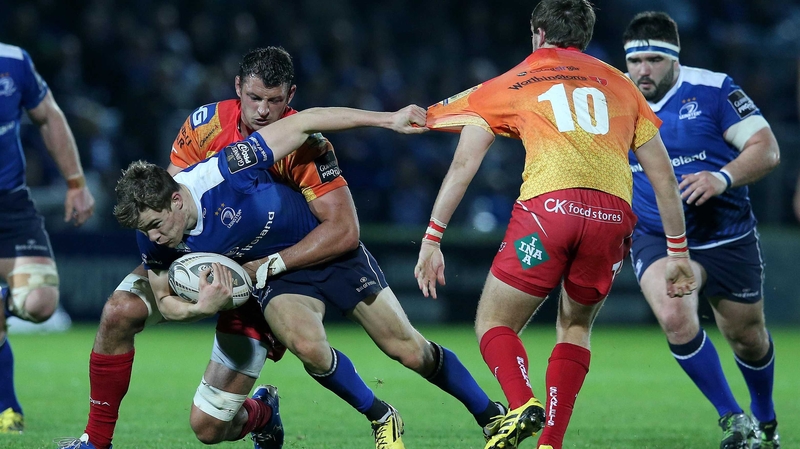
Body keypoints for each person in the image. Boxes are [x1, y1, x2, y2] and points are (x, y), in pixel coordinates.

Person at [65, 47, 505, 449]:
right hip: (243, 275)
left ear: (288, 95)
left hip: (295, 256)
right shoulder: (195, 148)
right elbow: (164, 218)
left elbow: (308, 131)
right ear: (237, 89)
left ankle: (490, 414)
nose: (263, 111)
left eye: (273, 100)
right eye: (254, 98)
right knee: (200, 412)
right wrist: (201, 304)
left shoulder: (239, 163)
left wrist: (388, 119)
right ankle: (105, 440)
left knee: (406, 348)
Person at [414, 1, 697, 449]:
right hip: (610, 220)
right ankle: (551, 442)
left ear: (538, 33)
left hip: (549, 216)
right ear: (584, 36)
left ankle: (522, 401)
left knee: (493, 323)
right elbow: (663, 177)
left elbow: (463, 163)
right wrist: (678, 253)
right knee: (575, 327)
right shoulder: (623, 86)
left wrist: (433, 237)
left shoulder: (516, 78)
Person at [622, 12, 781, 449]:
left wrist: (721, 177)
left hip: (725, 234)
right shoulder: (615, 98)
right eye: (635, 61)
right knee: (675, 316)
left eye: (654, 59)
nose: (643, 71)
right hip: (657, 236)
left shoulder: (714, 89)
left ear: (676, 58)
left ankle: (765, 417)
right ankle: (733, 418)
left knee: (747, 338)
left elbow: (767, 149)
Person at [0, 42, 95, 434]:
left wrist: (75, 182)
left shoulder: (14, 62)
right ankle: (8, 407)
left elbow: (49, 116)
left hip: (11, 204)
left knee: (40, 303)